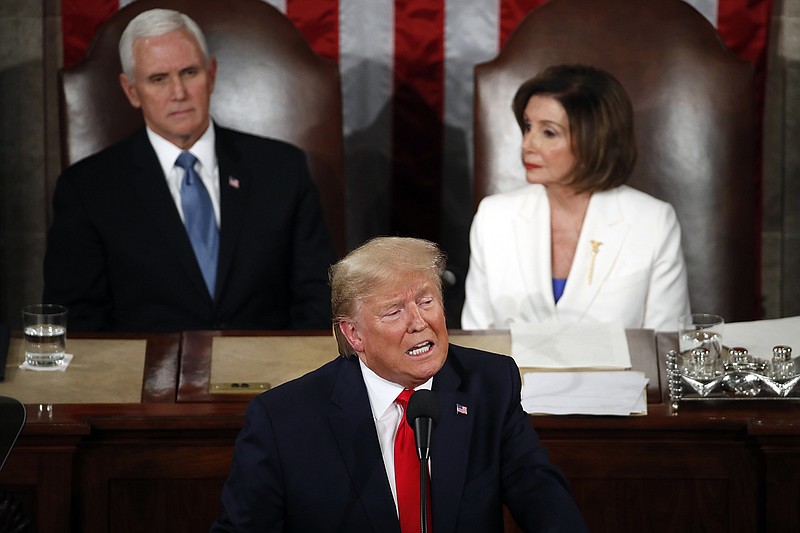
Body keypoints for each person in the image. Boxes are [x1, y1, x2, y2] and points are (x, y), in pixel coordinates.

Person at [211, 236, 587, 532]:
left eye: (427, 301)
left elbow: (542, 497)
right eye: (394, 311)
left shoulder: (489, 385)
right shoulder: (283, 420)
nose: (419, 322)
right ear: (354, 334)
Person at [42, 8, 335, 332]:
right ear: (131, 91)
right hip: (142, 378)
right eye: (158, 79)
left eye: (189, 72)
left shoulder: (281, 169)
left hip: (272, 376)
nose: (178, 93)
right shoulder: (88, 188)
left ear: (211, 74)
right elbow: (79, 321)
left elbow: (318, 299)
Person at [462, 64, 690, 332]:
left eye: (549, 132)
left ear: (595, 140)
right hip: (514, 375)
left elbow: (666, 345)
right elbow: (476, 338)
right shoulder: (494, 216)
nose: (527, 145)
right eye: (527, 126)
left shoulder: (652, 221)